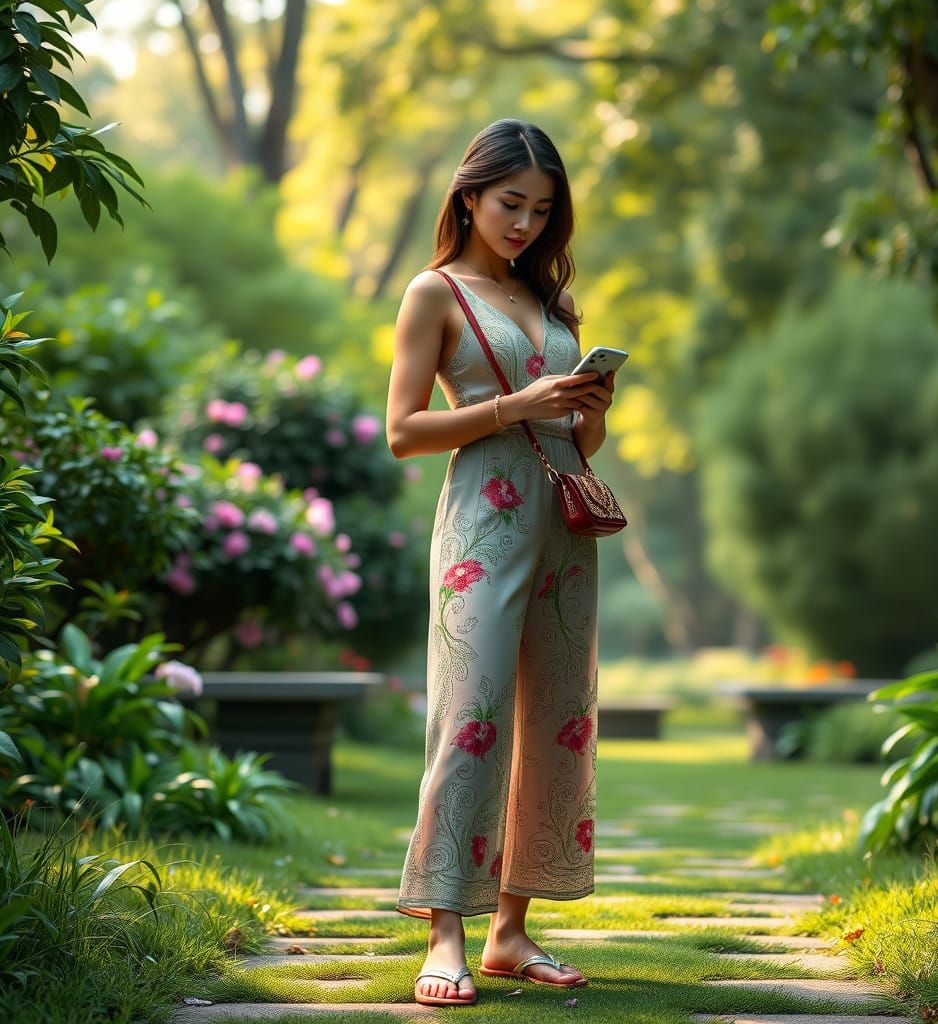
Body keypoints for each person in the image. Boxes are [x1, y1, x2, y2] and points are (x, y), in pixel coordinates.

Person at [385, 118, 616, 1008]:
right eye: (509, 203)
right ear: (470, 196)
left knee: (559, 720)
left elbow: (581, 438)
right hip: (483, 523)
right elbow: (405, 432)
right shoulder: (433, 292)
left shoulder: (556, 305)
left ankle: (511, 933)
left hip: (563, 523)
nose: (522, 223)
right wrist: (512, 403)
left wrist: (589, 404)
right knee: (472, 717)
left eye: (541, 210)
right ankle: (445, 931)